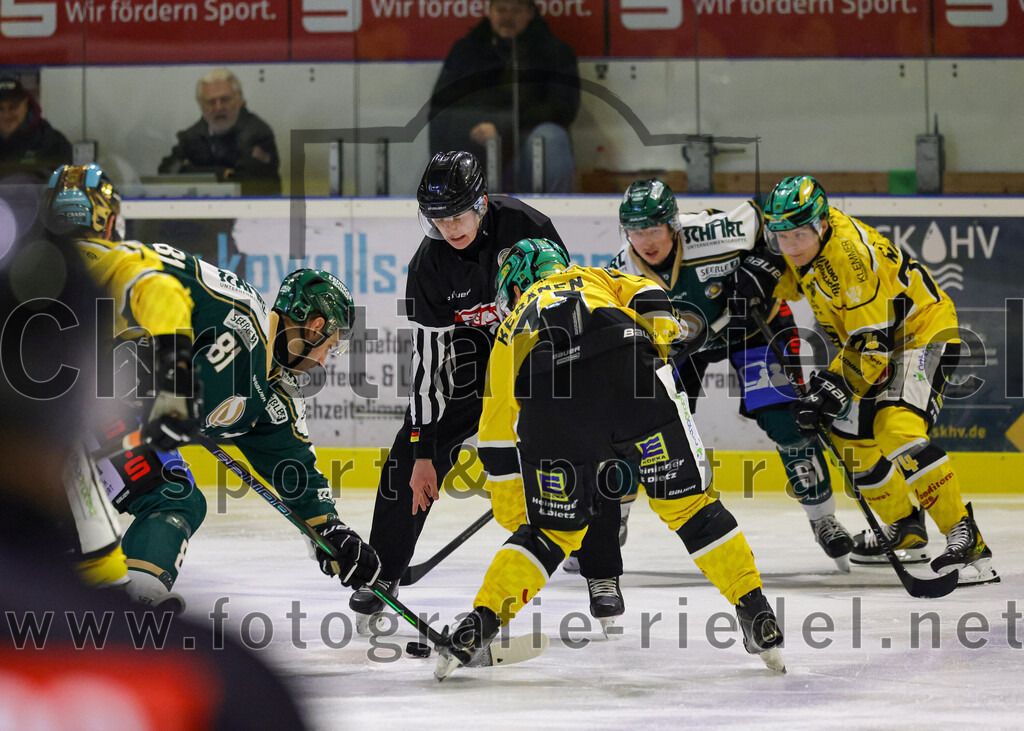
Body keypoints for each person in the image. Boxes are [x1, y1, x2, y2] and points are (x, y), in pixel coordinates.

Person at [0, 221, 308, 729]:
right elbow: (157, 289)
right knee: (123, 545)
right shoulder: (217, 686)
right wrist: (173, 379)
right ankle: (130, 604)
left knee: (165, 503)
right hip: (108, 650)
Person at [433, 238, 785, 680]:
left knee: (549, 534)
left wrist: (512, 504)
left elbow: (496, 432)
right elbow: (651, 295)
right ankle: (757, 612)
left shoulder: (510, 328)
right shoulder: (594, 277)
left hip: (552, 406)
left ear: (515, 284)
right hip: (633, 379)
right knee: (692, 508)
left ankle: (476, 628)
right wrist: (660, 337)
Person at [44, 163, 380, 611]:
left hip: (105, 420)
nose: (323, 361)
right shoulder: (230, 303)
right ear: (315, 326)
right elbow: (136, 267)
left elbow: (296, 475)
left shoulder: (275, 403)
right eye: (329, 346)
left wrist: (334, 537)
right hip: (65, 401)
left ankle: (134, 607)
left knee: (176, 498)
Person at [571, 178, 854, 625]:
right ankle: (615, 520)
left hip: (751, 330)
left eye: (654, 230)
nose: (646, 241)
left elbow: (770, 214)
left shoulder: (716, 232)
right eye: (636, 231)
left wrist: (761, 266)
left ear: (674, 225)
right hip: (682, 344)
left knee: (785, 420)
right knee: (634, 427)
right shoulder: (620, 270)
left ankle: (823, 519)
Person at [348, 150, 565, 632]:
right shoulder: (429, 267)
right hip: (472, 363)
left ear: (482, 203)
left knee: (571, 446)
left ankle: (596, 564)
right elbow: (427, 365)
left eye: (457, 214)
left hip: (536, 354)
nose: (449, 227)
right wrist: (424, 450)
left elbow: (566, 305)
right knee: (408, 456)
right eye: (438, 218)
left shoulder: (527, 227)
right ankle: (383, 570)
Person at [763, 174, 998, 584]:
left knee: (896, 427)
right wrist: (762, 279)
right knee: (846, 436)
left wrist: (832, 388)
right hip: (878, 345)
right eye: (782, 237)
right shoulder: (806, 244)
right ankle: (905, 527)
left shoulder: (849, 257)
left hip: (923, 335)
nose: (791, 246)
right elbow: (797, 282)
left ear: (820, 224)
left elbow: (873, 345)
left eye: (799, 235)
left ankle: (966, 536)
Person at [428, 0, 579, 194]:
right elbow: (441, 110)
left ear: (530, 13)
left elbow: (562, 109)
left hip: (527, 157)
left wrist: (502, 125)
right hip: (476, 159)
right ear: (490, 12)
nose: (507, 18)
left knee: (551, 136)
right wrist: (474, 127)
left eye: (516, 10)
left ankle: (556, 215)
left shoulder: (556, 53)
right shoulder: (466, 52)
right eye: (501, 10)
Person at [158, 68, 281, 196]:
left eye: (225, 99)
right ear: (201, 105)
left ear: (239, 100)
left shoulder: (258, 133)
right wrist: (222, 173)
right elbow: (167, 171)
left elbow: (245, 183)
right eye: (211, 102)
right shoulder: (194, 135)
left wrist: (190, 170)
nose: (219, 107)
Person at [0, 77, 72, 183]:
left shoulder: (51, 142)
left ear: (26, 104)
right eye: (0, 109)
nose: (7, 115)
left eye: (13, 107)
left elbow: (66, 187)